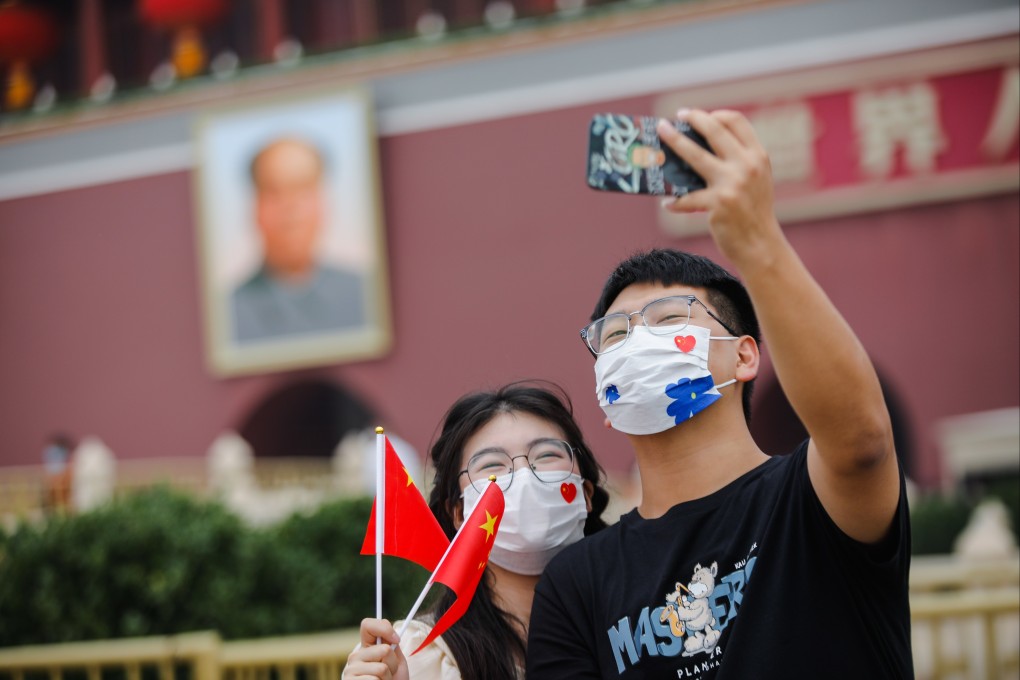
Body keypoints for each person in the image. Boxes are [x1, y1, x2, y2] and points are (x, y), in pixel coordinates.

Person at [526, 109, 912, 678]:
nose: (638, 343)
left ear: (745, 355)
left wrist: (757, 242)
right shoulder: (577, 583)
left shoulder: (808, 501)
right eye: (615, 335)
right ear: (606, 396)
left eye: (667, 318)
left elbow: (863, 442)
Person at [342, 382, 610, 680]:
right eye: (493, 465)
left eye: (546, 456)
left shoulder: (640, 615)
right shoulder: (418, 657)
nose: (523, 475)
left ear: (586, 493)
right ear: (458, 512)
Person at [231, 136, 366, 344]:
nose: (290, 209)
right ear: (256, 208)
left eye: (302, 189)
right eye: (274, 192)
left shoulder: (362, 293)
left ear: (322, 203)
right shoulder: (230, 311)